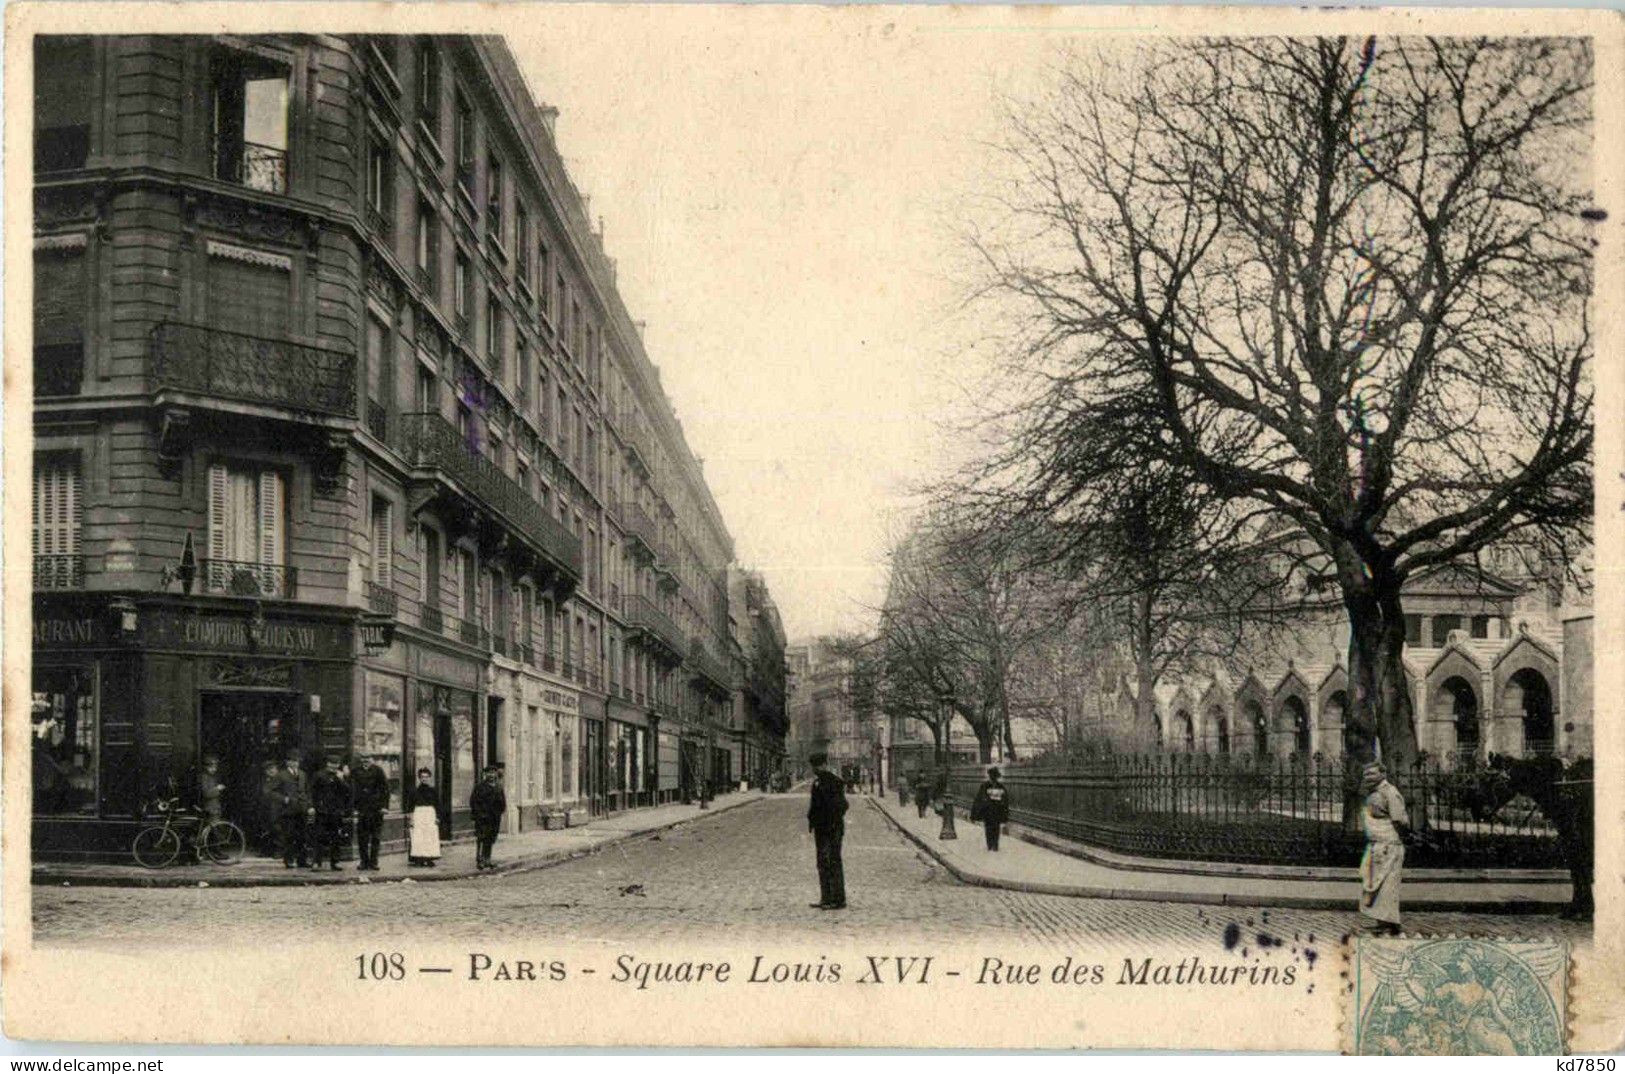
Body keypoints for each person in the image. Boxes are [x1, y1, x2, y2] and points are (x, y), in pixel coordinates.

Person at [1358, 761, 1411, 934]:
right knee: (1377, 883)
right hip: (1377, 844)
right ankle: (1383, 922)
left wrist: (1398, 838)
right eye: (1366, 774)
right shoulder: (1373, 793)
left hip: (1389, 844)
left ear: (1383, 774)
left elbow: (1399, 820)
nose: (1368, 777)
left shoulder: (1390, 792)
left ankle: (1389, 924)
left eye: (1372, 774)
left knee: (1388, 884)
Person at [806, 751, 848, 910]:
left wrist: (831, 819)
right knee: (823, 863)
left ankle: (837, 899)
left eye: (817, 766)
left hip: (832, 829)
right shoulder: (818, 783)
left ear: (824, 765)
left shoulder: (834, 782)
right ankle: (826, 898)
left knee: (832, 861)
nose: (815, 769)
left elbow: (843, 805)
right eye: (814, 767)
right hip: (821, 830)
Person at [309, 756, 351, 871]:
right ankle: (317, 862)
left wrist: (341, 779)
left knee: (335, 837)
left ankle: (335, 862)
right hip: (322, 811)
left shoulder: (339, 776)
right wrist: (312, 806)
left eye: (336, 764)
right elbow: (312, 791)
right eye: (332, 764)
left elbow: (347, 791)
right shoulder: (319, 775)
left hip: (336, 812)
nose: (334, 766)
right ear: (327, 764)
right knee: (319, 837)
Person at [350, 754, 390, 871]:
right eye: (363, 759)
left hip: (376, 809)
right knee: (362, 837)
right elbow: (352, 790)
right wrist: (353, 807)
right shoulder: (356, 771)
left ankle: (374, 862)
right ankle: (364, 861)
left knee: (376, 837)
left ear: (372, 760)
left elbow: (385, 789)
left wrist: (384, 806)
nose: (365, 762)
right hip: (362, 809)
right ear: (361, 760)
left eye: (368, 759)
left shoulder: (378, 771)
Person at [272, 755, 311, 869]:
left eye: (297, 761)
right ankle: (288, 860)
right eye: (292, 761)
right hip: (288, 810)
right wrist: (284, 799)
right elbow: (273, 792)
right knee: (289, 836)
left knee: (302, 836)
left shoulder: (303, 774)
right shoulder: (281, 775)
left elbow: (307, 791)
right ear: (287, 762)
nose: (295, 763)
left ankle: (302, 860)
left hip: (302, 809)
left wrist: (309, 804)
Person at [469, 765, 507, 870]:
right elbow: (473, 801)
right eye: (489, 773)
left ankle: (487, 859)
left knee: (490, 838)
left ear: (496, 774)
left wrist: (500, 811)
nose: (491, 775)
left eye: (493, 773)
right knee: (482, 838)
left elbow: (502, 802)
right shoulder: (480, 787)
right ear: (485, 774)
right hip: (483, 817)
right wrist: (479, 814)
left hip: (494, 818)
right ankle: (480, 860)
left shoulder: (499, 787)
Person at [970, 766, 1011, 851]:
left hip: (997, 811)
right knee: (988, 828)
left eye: (994, 776)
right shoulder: (985, 786)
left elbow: (1005, 799)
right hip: (988, 811)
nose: (993, 778)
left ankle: (995, 845)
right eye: (993, 776)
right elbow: (979, 799)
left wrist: (1004, 810)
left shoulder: (1000, 786)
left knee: (996, 828)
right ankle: (990, 845)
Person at [408, 767, 442, 867]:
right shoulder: (414, 791)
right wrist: (411, 819)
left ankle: (429, 858)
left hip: (430, 814)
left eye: (426, 777)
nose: (424, 779)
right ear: (419, 778)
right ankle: (419, 858)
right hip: (419, 814)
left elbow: (438, 805)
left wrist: (438, 817)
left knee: (430, 836)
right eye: (422, 777)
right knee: (419, 836)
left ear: (429, 778)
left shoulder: (433, 791)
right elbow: (410, 807)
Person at [197, 755, 224, 822]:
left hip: (214, 808)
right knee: (213, 827)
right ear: (205, 767)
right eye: (211, 767)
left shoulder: (211, 777)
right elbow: (206, 793)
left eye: (215, 767)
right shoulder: (204, 778)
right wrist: (217, 788)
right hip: (210, 809)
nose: (214, 769)